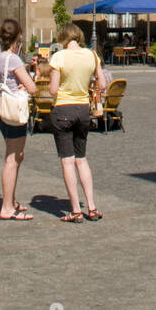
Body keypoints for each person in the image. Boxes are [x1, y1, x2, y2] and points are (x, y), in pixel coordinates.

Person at [48, 22, 105, 223]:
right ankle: (91, 206)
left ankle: (75, 210)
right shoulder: (91, 55)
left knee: (67, 160)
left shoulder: (59, 57)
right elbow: (103, 83)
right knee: (81, 159)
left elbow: (53, 90)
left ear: (63, 37)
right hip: (83, 110)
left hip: (63, 109)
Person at [0, 18, 37, 221]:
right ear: (18, 36)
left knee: (16, 155)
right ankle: (7, 206)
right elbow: (32, 87)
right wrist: (28, 81)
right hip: (13, 110)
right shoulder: (14, 59)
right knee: (12, 158)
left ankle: (11, 199)